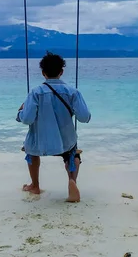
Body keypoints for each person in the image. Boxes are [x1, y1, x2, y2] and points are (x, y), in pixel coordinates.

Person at [16, 52, 91, 202]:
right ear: (61, 72)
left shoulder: (35, 92)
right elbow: (84, 117)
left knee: (30, 153)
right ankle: (72, 181)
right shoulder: (73, 92)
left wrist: (20, 113)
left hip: (39, 142)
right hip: (65, 142)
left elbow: (27, 119)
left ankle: (35, 186)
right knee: (73, 154)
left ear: (43, 73)